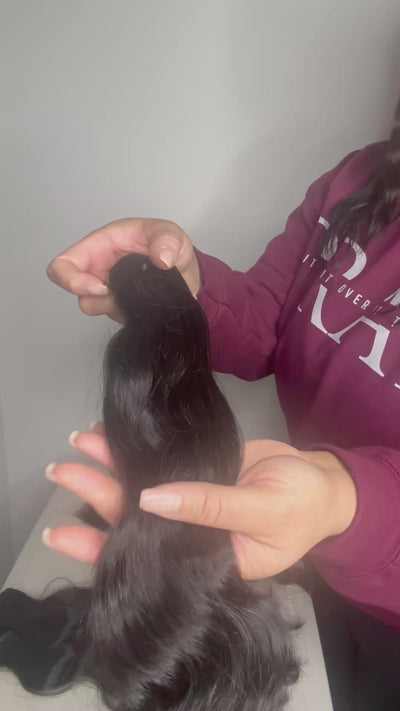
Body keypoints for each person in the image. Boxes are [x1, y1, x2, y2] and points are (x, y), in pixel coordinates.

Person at [44, 97, 400, 711]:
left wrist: (344, 502)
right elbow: (270, 325)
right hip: (312, 556)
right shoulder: (360, 182)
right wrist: (184, 287)